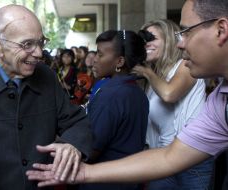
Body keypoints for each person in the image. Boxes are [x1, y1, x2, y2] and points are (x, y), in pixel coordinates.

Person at [26, 0, 228, 189]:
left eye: (186, 32)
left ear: (221, 30)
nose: (180, 44)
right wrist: (85, 172)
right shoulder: (220, 101)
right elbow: (169, 157)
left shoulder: (124, 90)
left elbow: (169, 94)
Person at [0, 4, 92, 190]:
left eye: (41, 42)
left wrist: (73, 145)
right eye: (27, 44)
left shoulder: (46, 76)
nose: (38, 53)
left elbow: (76, 121)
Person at [131, 19, 213, 190]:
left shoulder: (186, 65)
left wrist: (145, 72)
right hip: (163, 159)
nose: (147, 44)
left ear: (169, 40)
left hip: (192, 162)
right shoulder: (154, 77)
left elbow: (169, 94)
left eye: (152, 38)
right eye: (143, 40)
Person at [76, 30, 149, 190]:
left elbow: (91, 150)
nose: (94, 59)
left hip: (104, 182)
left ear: (120, 61)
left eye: (100, 55)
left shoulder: (111, 95)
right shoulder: (136, 91)